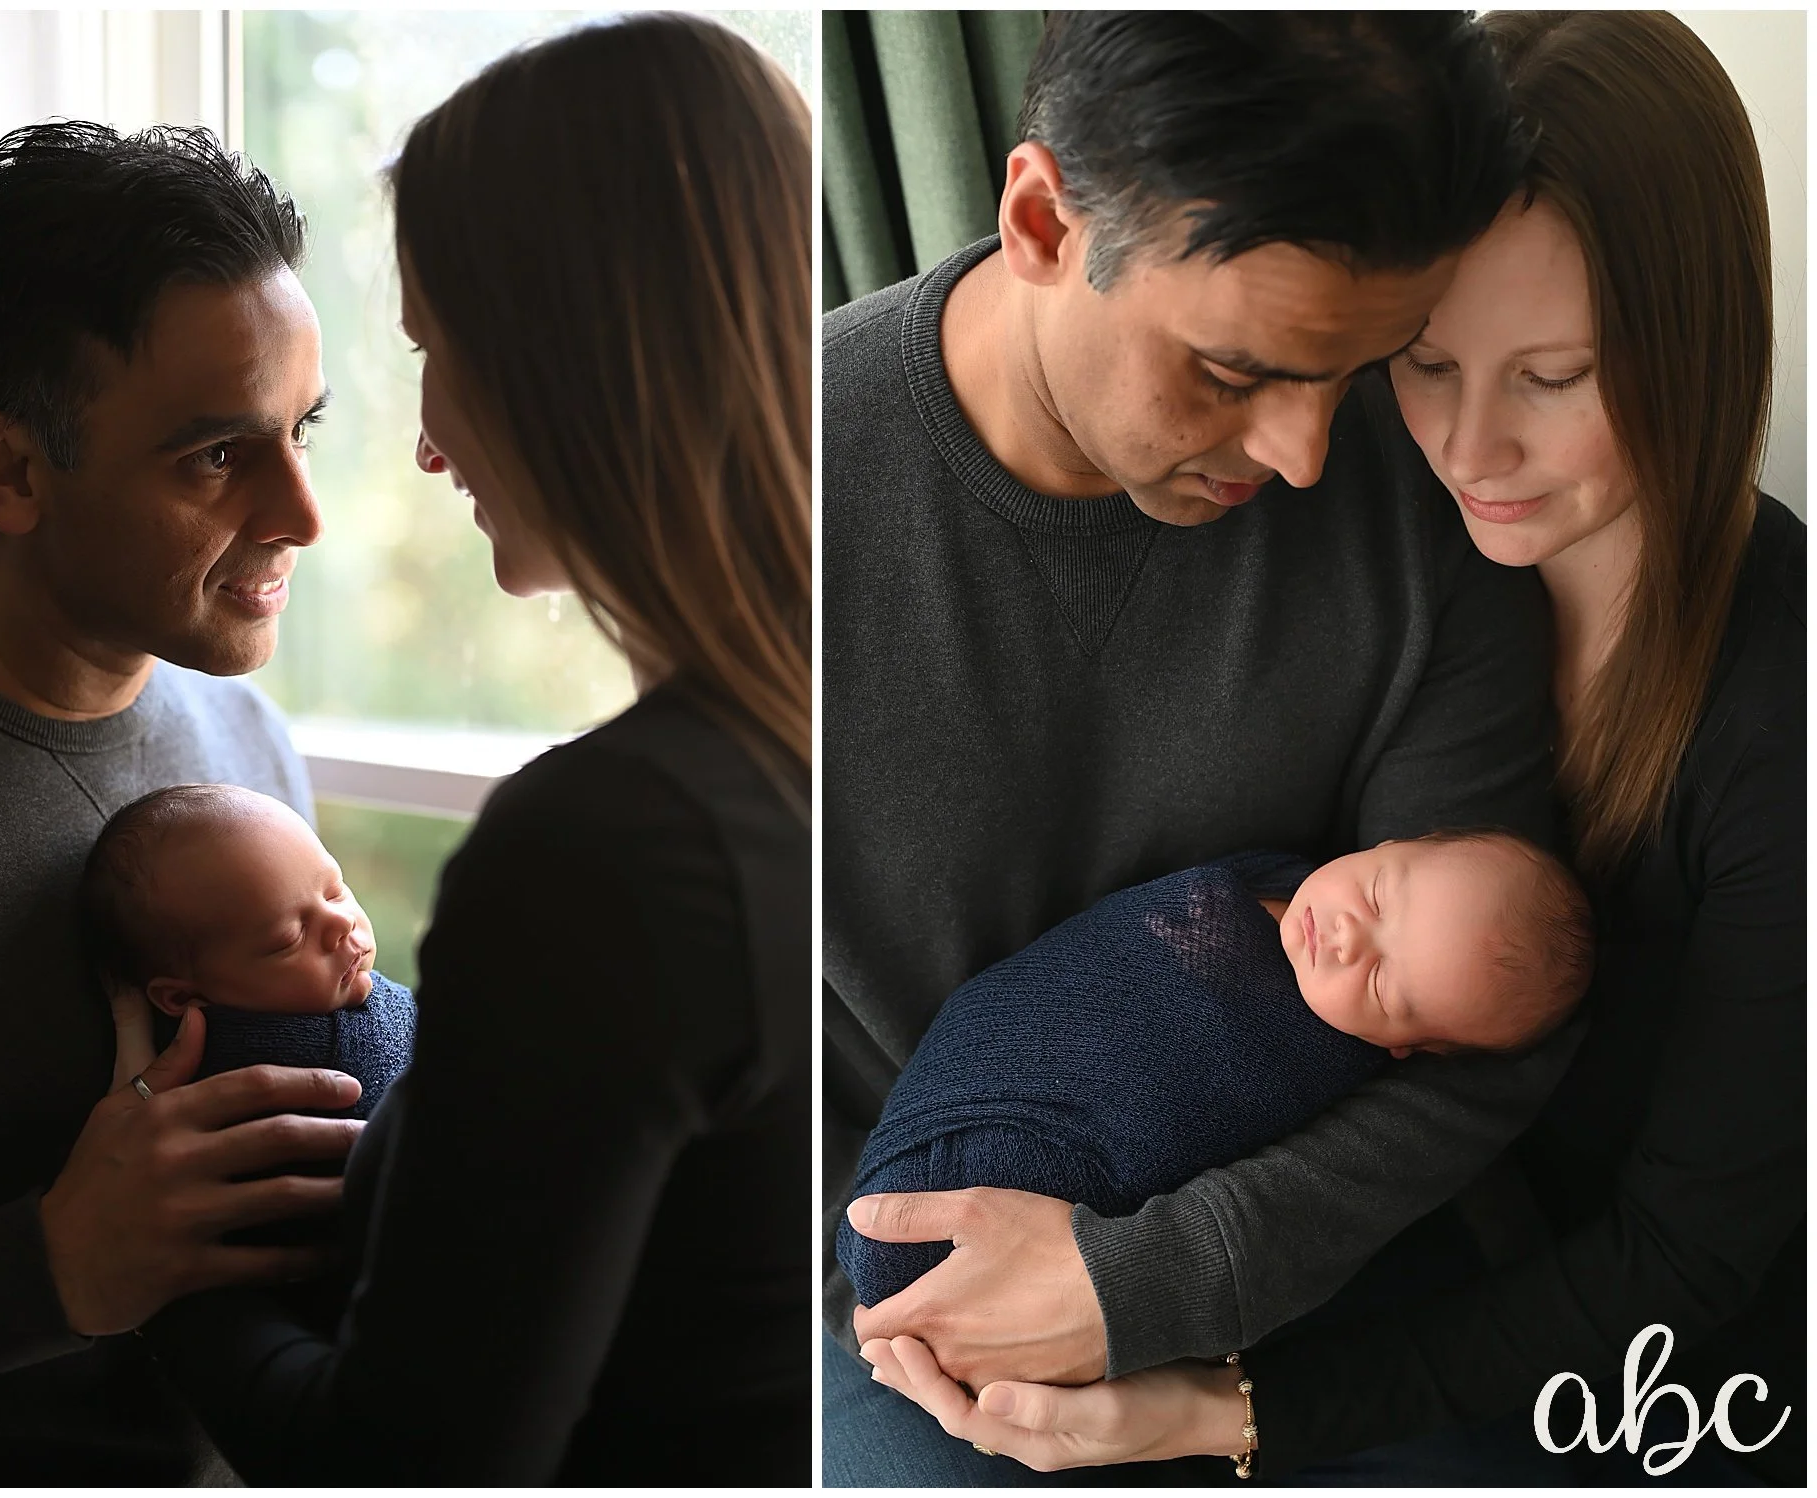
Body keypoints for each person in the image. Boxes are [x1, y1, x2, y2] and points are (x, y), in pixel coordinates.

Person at [860, 10, 1804, 1486]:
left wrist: (1219, 1392)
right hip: (1215, 1261)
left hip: (1667, 1373)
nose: (1463, 447)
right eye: (1420, 364)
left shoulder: (1756, 703)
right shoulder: (1369, 480)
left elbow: (1680, 1253)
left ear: (1696, 340)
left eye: (1552, 376)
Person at [133, 13, 812, 1484]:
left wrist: (164, 1278)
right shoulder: (840, 733)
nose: (428, 443)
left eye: (436, 352)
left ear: (570, 364)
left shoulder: (618, 847)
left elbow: (409, 1464)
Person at [0, 124, 370, 1484]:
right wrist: (45, 1268)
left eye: (302, 430)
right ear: (9, 467)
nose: (302, 513)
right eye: (215, 457)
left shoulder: (247, 736)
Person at [839, 834, 1594, 1307]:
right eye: (1373, 895)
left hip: (1042, 1183)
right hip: (979, 1051)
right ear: (1387, 843)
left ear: (1406, 1049)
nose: (1345, 938)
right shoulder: (1267, 871)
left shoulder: (1321, 1073)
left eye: (1383, 986)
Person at [80, 784, 416, 1125]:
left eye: (335, 891)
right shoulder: (260, 1065)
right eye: (290, 938)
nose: (342, 922)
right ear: (185, 995)